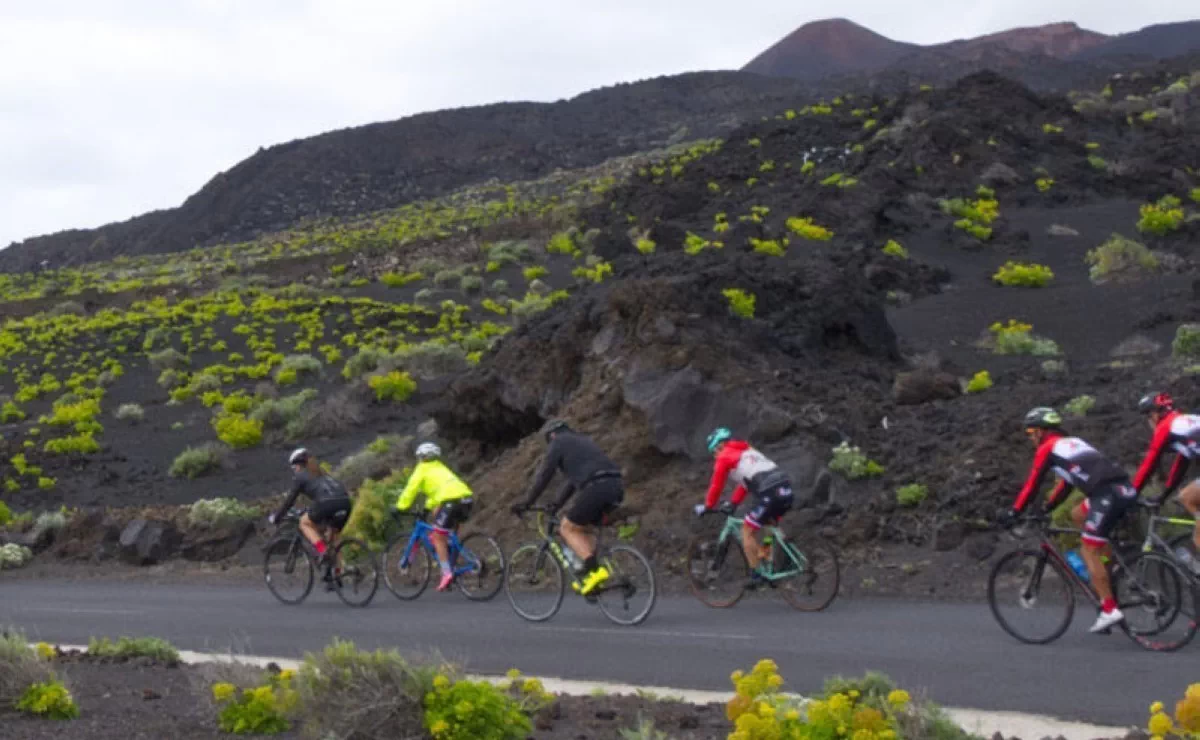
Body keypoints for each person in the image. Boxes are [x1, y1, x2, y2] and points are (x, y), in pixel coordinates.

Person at [1000, 407, 1137, 633]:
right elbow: (1068, 483)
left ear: (1042, 431)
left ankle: (1109, 608)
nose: (1030, 437)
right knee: (1077, 514)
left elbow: (1032, 484)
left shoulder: (1048, 448)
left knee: (1088, 549)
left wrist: (1014, 512)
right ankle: (1107, 572)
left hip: (1107, 496)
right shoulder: (1072, 443)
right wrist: (1048, 507)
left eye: (1031, 431)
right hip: (1124, 490)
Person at [510, 420, 623, 596]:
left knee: (566, 528)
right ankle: (594, 575)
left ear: (551, 435)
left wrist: (527, 502)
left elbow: (545, 474)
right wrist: (556, 504)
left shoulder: (558, 442)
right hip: (616, 485)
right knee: (583, 528)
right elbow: (572, 482)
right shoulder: (583, 441)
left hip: (596, 487)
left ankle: (595, 571)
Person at [694, 428, 794, 588]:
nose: (715, 457)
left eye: (714, 452)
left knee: (747, 530)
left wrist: (708, 506)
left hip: (769, 491)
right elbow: (746, 483)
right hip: (785, 486)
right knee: (769, 526)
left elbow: (716, 485)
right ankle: (774, 560)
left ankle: (756, 574)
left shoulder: (724, 456)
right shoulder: (747, 450)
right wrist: (734, 503)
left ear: (719, 446)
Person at [1131, 392, 1200, 572]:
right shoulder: (1183, 421)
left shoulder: (1166, 426)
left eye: (1148, 417)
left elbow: (1150, 463)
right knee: (1187, 496)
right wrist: (1163, 495)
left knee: (1188, 498)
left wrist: (1131, 493)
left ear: (1154, 414)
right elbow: (1181, 465)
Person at [395, 442, 475, 591]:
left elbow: (410, 491)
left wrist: (400, 507)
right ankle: (452, 562)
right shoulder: (440, 467)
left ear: (421, 457)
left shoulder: (422, 470)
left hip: (451, 501)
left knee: (437, 536)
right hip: (466, 500)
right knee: (443, 530)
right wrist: (426, 508)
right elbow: (438, 492)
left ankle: (446, 573)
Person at [269, 448, 353, 580]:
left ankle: (321, 550)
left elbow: (290, 500)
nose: (294, 470)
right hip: (345, 502)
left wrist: (277, 517)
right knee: (333, 536)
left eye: (293, 467)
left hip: (326, 503)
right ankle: (339, 571)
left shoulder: (301, 476)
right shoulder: (322, 473)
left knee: (304, 523)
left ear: (297, 465)